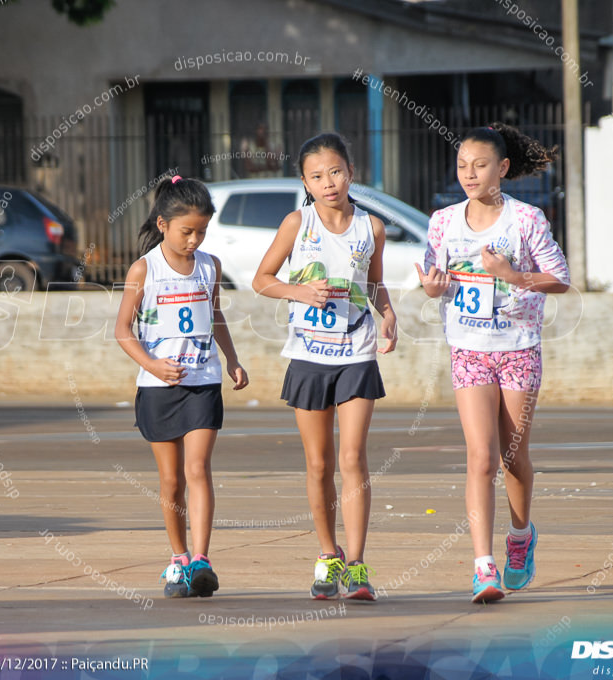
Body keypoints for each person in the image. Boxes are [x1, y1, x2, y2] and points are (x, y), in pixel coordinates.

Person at [417, 123, 569, 603]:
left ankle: (520, 537)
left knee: (512, 457)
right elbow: (430, 275)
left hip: (519, 347)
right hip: (468, 347)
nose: (469, 173)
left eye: (479, 165)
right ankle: (483, 567)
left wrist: (512, 275)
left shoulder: (526, 220)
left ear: (502, 168)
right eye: (462, 165)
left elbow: (560, 279)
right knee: (480, 456)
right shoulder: (443, 221)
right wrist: (433, 288)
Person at [253, 133, 397, 601]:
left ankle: (357, 565)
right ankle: (327, 555)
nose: (328, 182)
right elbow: (262, 279)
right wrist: (299, 291)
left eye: (335, 172)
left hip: (355, 352)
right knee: (319, 465)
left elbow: (374, 285)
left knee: (353, 459)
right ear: (306, 183)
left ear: (350, 173)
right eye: (317, 176)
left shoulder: (371, 228)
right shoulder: (298, 223)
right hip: (309, 357)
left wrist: (388, 315)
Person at [114, 175, 249, 598]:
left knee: (198, 470)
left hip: (203, 382)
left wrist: (232, 358)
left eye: (202, 232)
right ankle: (178, 559)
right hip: (158, 389)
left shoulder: (210, 266)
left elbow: (216, 315)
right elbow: (122, 330)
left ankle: (202, 559)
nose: (194, 240)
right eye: (186, 231)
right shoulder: (144, 269)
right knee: (172, 480)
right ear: (162, 225)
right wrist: (153, 365)